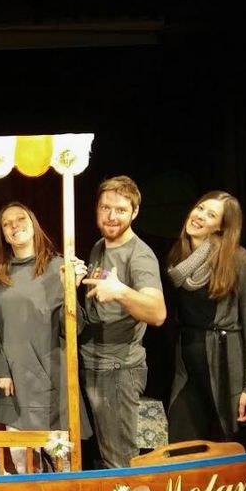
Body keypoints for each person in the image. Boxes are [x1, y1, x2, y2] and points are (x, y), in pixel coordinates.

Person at [0, 203, 90, 473]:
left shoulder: (59, 267)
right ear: (2, 233)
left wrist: (71, 290)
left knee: (64, 465)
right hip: (14, 382)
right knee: (25, 466)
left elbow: (75, 329)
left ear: (34, 224)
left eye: (20, 219)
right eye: (7, 223)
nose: (14, 226)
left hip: (53, 380)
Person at [79, 175, 166, 468]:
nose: (111, 216)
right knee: (104, 458)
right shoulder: (99, 247)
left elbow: (157, 312)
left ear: (135, 212)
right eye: (106, 208)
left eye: (120, 210)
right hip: (94, 362)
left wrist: (121, 291)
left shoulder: (140, 256)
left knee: (120, 462)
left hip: (118, 369)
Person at [166, 191, 246, 443]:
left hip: (226, 367)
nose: (200, 216)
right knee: (181, 448)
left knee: (233, 449)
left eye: (211, 215)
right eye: (200, 208)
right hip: (189, 370)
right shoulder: (179, 258)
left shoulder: (238, 260)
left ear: (221, 227)